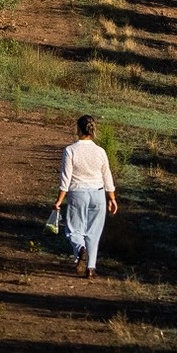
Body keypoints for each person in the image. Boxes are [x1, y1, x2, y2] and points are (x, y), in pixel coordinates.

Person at [53, 115, 118, 278]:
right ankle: (91, 268)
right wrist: (112, 198)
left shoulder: (70, 150)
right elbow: (107, 175)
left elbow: (65, 178)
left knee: (74, 230)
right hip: (98, 194)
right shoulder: (100, 151)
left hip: (78, 193)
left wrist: (59, 200)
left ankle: (80, 249)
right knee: (94, 232)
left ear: (78, 129)